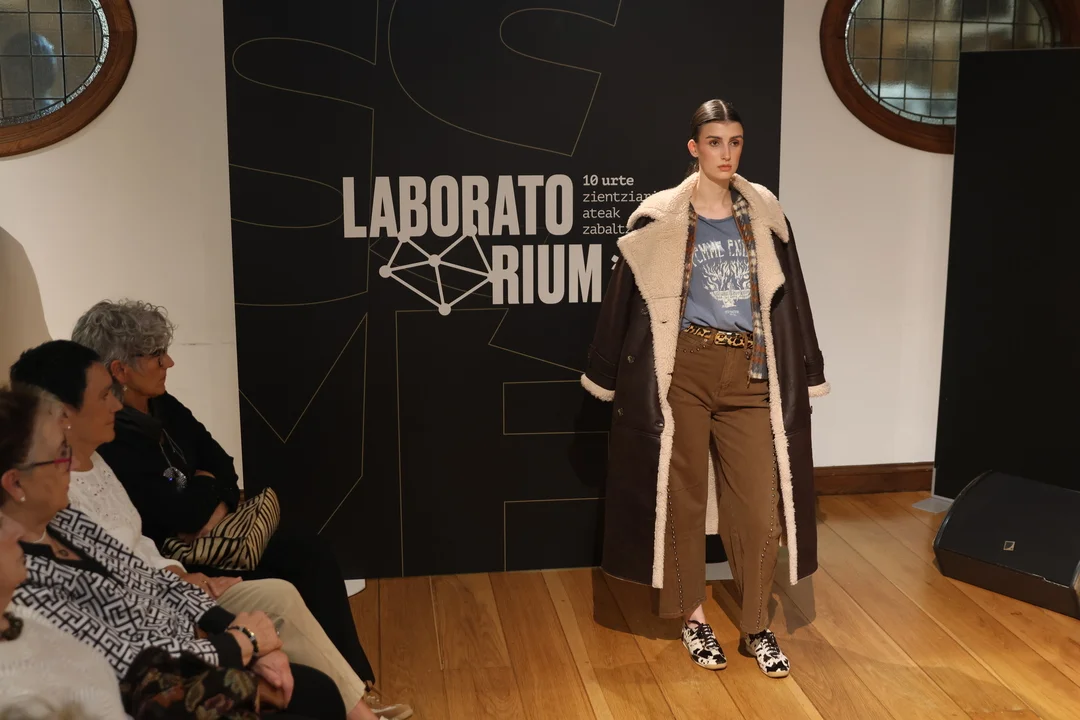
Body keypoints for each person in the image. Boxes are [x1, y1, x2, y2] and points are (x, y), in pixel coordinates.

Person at [10, 340, 403, 720]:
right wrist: (241, 644)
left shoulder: (77, 510)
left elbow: (214, 473)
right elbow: (130, 655)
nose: (168, 362)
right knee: (298, 656)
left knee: (307, 561)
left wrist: (231, 629)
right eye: (156, 354)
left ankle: (357, 694)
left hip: (182, 601)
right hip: (169, 664)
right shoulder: (38, 561)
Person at [581, 99, 828, 677]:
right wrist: (607, 373)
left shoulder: (765, 213)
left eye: (735, 141)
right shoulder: (660, 218)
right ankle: (692, 617)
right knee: (683, 498)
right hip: (684, 368)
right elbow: (623, 306)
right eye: (715, 142)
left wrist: (809, 367)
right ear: (694, 148)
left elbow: (793, 299)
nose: (726, 153)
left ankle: (756, 626)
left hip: (750, 370)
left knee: (759, 506)